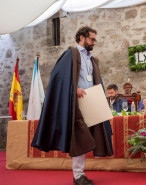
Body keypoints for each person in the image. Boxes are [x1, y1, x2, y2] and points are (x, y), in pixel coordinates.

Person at [31, 26, 113, 185]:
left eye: (95, 39)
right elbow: (58, 77)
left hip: (91, 103)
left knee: (92, 137)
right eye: (92, 39)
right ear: (82, 38)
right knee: (79, 138)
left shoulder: (92, 59)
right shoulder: (71, 54)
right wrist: (73, 89)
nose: (94, 42)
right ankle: (78, 176)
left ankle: (79, 174)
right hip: (76, 105)